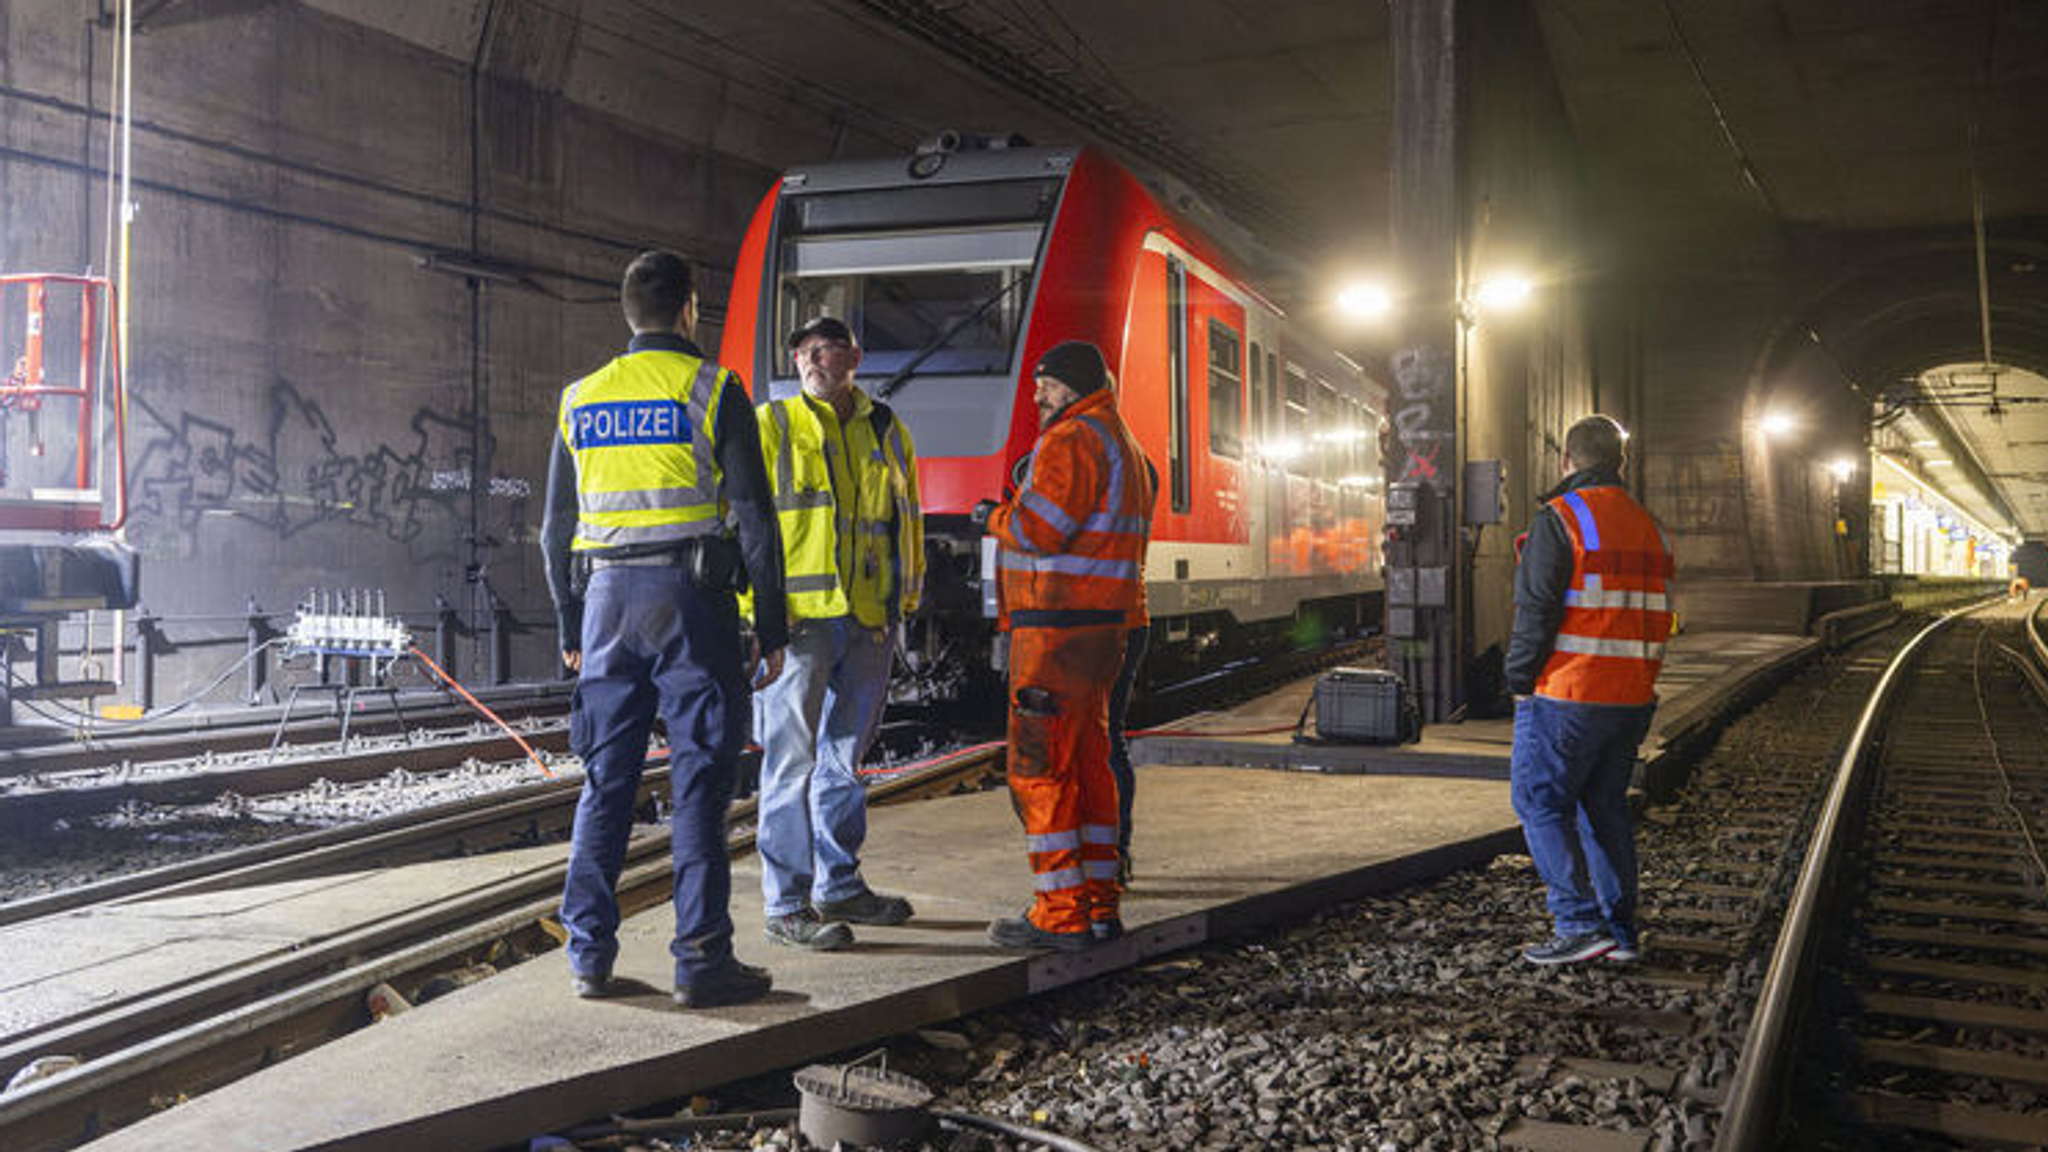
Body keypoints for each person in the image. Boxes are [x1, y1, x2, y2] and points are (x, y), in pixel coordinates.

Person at [541, 250, 789, 1007]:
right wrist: (771, 625)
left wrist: (569, 622)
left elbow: (555, 528)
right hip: (691, 603)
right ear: (691, 308)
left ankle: (588, 956)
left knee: (605, 784)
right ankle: (702, 960)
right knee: (699, 783)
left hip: (607, 602)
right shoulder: (713, 388)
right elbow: (752, 516)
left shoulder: (580, 397)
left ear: (627, 314)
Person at [749, 315, 925, 950]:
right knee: (789, 764)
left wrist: (904, 601)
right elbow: (744, 523)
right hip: (799, 624)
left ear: (855, 355)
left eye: (825, 350)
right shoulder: (773, 425)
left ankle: (840, 884)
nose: (813, 361)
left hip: (869, 618)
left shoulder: (885, 427)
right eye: (803, 353)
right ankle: (787, 902)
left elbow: (908, 520)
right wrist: (757, 614)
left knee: (843, 763)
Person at [980, 340, 1155, 951]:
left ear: (1072, 385)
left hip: (1054, 629)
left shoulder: (1071, 437)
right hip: (1104, 630)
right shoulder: (1123, 442)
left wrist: (992, 517)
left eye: (1045, 385)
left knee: (1040, 769)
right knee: (1089, 766)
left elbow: (1039, 529)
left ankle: (1059, 915)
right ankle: (1100, 906)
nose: (1037, 397)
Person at [1504, 414, 1673, 966]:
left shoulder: (1562, 518)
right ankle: (1621, 933)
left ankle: (1578, 922)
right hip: (1632, 697)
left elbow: (1536, 610)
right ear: (1619, 464)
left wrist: (1518, 680)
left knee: (1538, 800)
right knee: (1603, 807)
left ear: (1567, 462)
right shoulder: (1650, 526)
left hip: (1569, 692)